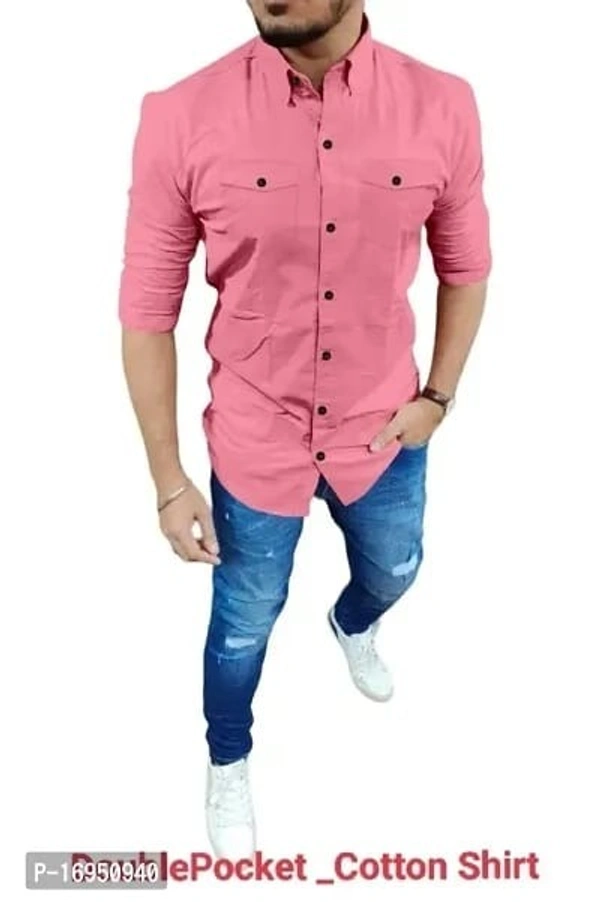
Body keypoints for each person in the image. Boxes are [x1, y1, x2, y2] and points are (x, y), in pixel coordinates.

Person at [118, 0, 491, 858]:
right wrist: (169, 482)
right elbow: (146, 313)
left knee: (397, 569)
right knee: (243, 623)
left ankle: (353, 624)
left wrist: (438, 397)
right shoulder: (180, 114)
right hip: (256, 437)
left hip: (385, 431)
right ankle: (227, 757)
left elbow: (466, 267)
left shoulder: (443, 105)